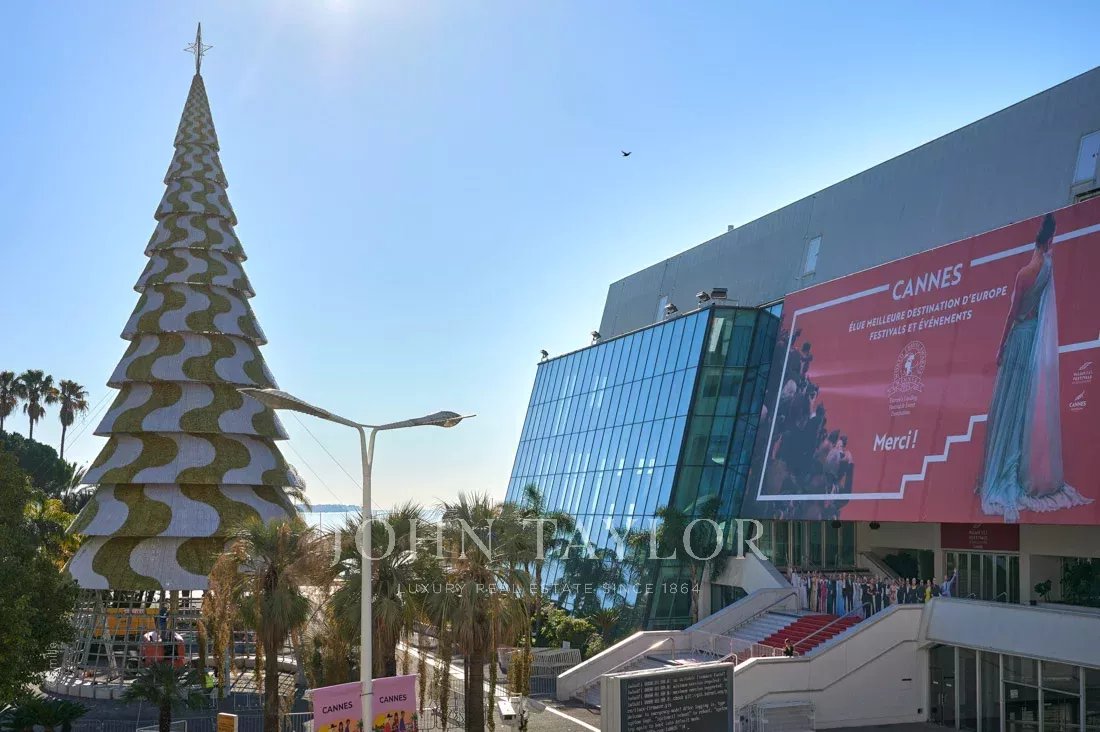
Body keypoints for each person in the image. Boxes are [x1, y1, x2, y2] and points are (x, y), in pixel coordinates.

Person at [978, 213, 1092, 522]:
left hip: (1019, 339)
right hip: (1034, 340)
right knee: (1022, 403)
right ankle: (1022, 462)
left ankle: (1004, 465)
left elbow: (1012, 314)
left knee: (1008, 405)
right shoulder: (1048, 267)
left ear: (1035, 239)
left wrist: (1001, 345)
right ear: (1050, 239)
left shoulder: (1025, 273)